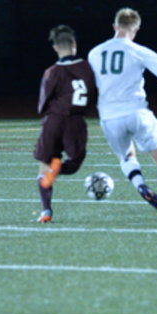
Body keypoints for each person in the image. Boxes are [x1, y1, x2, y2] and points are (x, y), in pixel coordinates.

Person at [88, 7, 157, 221]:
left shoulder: (94, 53)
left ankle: (140, 186)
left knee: (126, 156)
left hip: (109, 117)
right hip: (137, 113)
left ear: (114, 26)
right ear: (136, 29)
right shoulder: (139, 51)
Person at [34, 24, 97, 223]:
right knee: (74, 162)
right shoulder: (88, 68)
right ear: (74, 44)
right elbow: (94, 93)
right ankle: (57, 169)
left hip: (54, 120)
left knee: (44, 164)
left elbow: (42, 104)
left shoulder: (52, 71)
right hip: (76, 121)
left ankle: (46, 210)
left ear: (55, 47)